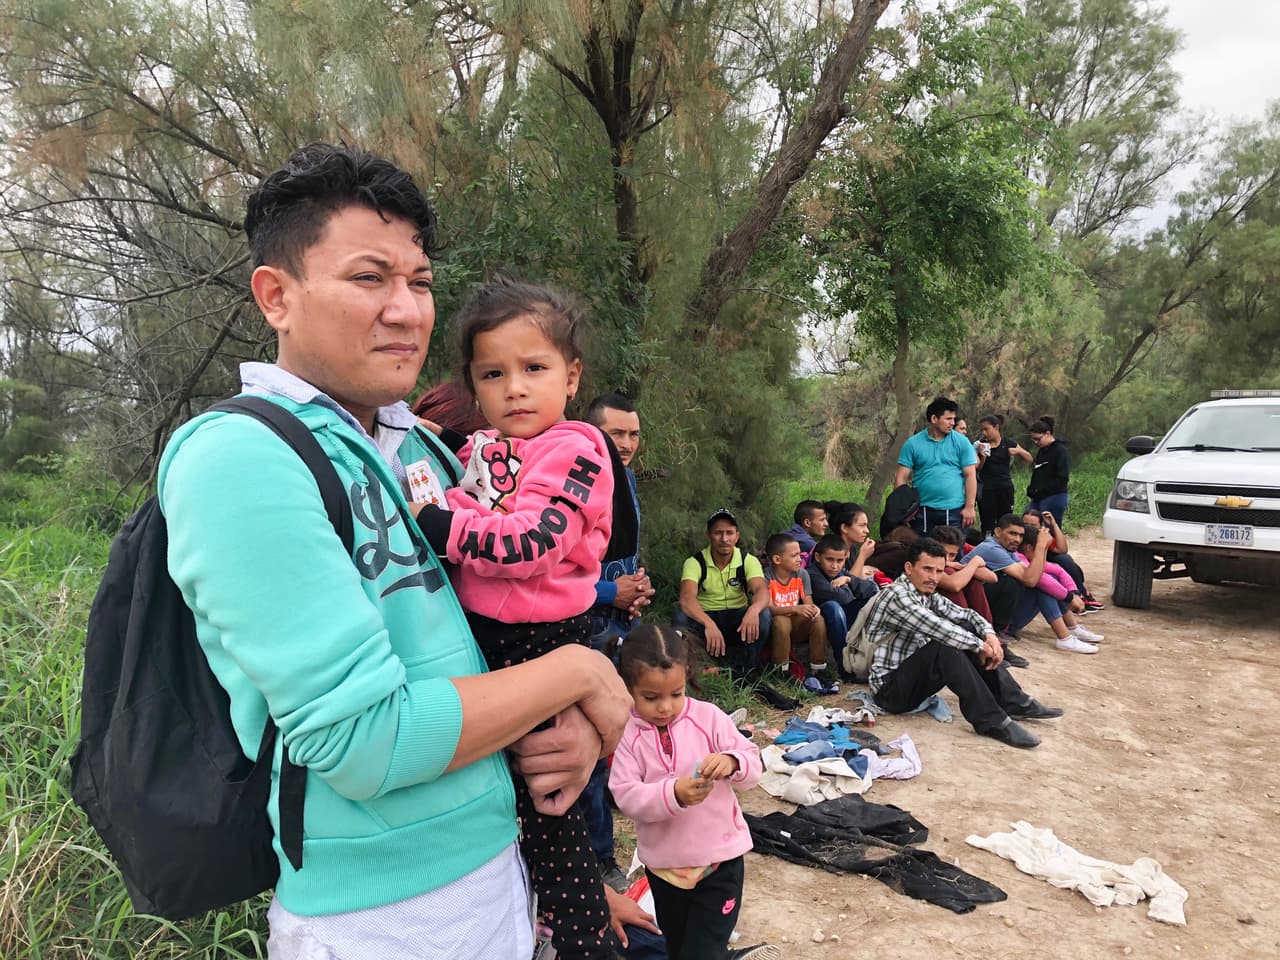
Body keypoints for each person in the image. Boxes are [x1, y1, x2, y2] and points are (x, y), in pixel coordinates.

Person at [157, 143, 631, 960]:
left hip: (502, 874)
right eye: (370, 278)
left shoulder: (428, 452)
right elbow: (363, 743)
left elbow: (497, 650)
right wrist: (582, 674)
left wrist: (574, 740)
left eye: (420, 281)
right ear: (276, 296)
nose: (407, 311)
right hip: (379, 918)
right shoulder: (240, 459)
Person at [413, 276, 635, 960]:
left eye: (533, 368)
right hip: (489, 635)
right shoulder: (489, 447)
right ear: (473, 387)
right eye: (493, 374)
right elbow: (480, 486)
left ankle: (581, 937)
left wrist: (441, 525)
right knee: (507, 790)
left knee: (546, 799)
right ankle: (536, 919)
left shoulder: (577, 449)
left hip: (539, 638)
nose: (514, 388)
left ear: (572, 377)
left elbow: (533, 542)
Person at [609, 625, 778, 960]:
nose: (666, 707)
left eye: (676, 693)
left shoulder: (708, 717)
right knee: (678, 950)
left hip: (719, 863)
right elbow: (625, 795)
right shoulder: (626, 733)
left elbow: (752, 765)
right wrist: (673, 794)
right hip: (665, 871)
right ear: (628, 688)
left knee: (703, 951)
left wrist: (731, 761)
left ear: (687, 677)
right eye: (651, 698)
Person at [865, 539, 1064, 749]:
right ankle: (991, 721)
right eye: (927, 569)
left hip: (910, 677)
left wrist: (989, 635)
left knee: (967, 629)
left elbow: (965, 614)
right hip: (888, 691)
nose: (934, 577)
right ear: (909, 568)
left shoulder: (924, 592)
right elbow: (940, 629)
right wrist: (981, 646)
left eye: (939, 571)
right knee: (946, 647)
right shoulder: (898, 595)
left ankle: (1014, 701)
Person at [582, 392, 654, 894]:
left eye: (633, 435)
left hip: (616, 626)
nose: (626, 444)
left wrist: (636, 588)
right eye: (616, 434)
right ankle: (598, 858)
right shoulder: (574, 481)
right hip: (579, 631)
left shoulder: (623, 479)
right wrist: (612, 592)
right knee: (588, 742)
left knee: (617, 730)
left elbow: (621, 558)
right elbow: (547, 577)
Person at [970, 514, 1103, 655]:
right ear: (998, 532)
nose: (1017, 539)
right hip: (983, 620)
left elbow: (1055, 570)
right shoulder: (992, 549)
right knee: (1040, 586)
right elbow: (1031, 580)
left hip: (993, 612)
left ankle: (1072, 629)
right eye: (1012, 533)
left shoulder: (1007, 550)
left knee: (1048, 580)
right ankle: (1065, 638)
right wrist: (1041, 546)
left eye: (1020, 535)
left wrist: (1073, 593)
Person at [675, 509, 771, 676]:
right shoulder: (694, 562)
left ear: (737, 536)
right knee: (680, 617)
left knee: (764, 615)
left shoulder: (748, 560)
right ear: (708, 535)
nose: (724, 539)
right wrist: (709, 624)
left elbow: (761, 590)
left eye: (729, 533)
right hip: (706, 618)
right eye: (718, 533)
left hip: (737, 620)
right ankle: (694, 669)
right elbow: (686, 599)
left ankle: (746, 669)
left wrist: (753, 610)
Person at [894, 396, 978, 533]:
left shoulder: (962, 442)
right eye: (948, 419)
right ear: (934, 419)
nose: (952, 423)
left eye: (953, 419)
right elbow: (901, 478)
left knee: (953, 546)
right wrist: (901, 510)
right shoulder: (913, 444)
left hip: (954, 510)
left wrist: (969, 507)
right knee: (922, 547)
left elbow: (970, 475)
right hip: (922, 510)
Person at [763, 533, 831, 680]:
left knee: (818, 620)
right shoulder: (767, 577)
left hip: (795, 623)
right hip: (776, 625)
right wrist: (795, 609)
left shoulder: (802, 574)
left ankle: (818, 668)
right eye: (794, 556)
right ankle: (781, 670)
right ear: (777, 559)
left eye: (800, 554)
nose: (800, 559)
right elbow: (770, 608)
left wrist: (814, 609)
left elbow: (808, 602)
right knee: (781, 622)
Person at [1020, 508, 1104, 612]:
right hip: (1027, 568)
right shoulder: (1018, 536)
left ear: (1041, 526)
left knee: (1065, 560)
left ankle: (1081, 595)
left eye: (1033, 525)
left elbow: (1062, 549)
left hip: (1041, 564)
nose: (1028, 528)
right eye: (1025, 524)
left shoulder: (1041, 536)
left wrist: (1054, 525)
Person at [1011, 416, 1071, 525]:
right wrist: (1032, 489)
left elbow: (1062, 478)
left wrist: (1041, 490)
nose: (1035, 442)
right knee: (1028, 525)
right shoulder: (1042, 451)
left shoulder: (1060, 451)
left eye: (1038, 439)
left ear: (1047, 434)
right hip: (1038, 498)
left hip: (1054, 497)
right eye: (1033, 439)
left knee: (1050, 528)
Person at [975, 414, 1024, 535]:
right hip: (987, 489)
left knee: (1005, 520)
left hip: (1005, 487)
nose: (984, 433)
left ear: (996, 427)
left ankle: (1006, 542)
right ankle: (987, 541)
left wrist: (1018, 451)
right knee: (987, 521)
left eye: (986, 429)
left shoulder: (1008, 443)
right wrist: (983, 456)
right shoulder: (980, 444)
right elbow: (977, 468)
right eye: (982, 430)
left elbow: (1029, 458)